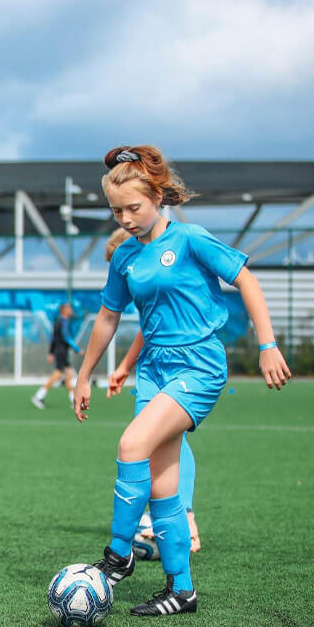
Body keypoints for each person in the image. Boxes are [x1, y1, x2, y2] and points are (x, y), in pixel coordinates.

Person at [74, 145, 291, 616]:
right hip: (154, 371)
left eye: (133, 207)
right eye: (116, 210)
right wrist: (84, 375)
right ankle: (181, 589)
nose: (126, 218)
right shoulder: (124, 258)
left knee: (132, 446)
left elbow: (247, 281)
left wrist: (267, 344)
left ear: (158, 197)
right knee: (162, 484)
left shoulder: (191, 239)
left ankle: (118, 555)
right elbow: (108, 318)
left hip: (199, 367)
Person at [105, 228, 200, 553]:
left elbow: (152, 329)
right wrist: (124, 368)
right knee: (163, 443)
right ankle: (174, 519)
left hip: (180, 365)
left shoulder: (159, 266)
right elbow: (148, 329)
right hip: (154, 368)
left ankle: (184, 519)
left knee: (163, 441)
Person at [31, 303, 81, 409]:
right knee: (58, 374)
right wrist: (77, 349)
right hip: (61, 352)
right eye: (69, 309)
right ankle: (38, 396)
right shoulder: (63, 322)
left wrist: (51, 352)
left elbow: (53, 338)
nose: (71, 310)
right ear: (64, 310)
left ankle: (74, 400)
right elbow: (66, 337)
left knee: (69, 374)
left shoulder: (59, 321)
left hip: (61, 351)